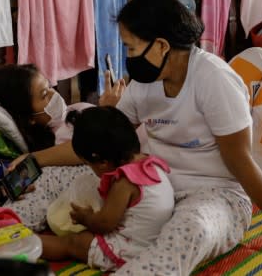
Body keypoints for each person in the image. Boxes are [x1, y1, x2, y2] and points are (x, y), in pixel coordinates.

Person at [7, 0, 262, 275]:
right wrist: (33, 158)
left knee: (191, 229)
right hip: (150, 188)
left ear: (161, 45)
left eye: (131, 49)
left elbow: (242, 162)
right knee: (58, 178)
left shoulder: (213, 80)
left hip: (214, 196)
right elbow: (99, 143)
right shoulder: (145, 85)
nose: (128, 58)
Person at [38, 107, 174, 271]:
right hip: (154, 240)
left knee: (74, 242)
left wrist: (85, 218)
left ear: (102, 162)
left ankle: (26, 244)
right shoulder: (149, 163)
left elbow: (104, 224)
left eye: (88, 164)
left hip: (131, 251)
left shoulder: (124, 182)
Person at [0, 64, 93, 152]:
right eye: (44, 94)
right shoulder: (60, 142)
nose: (54, 93)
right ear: (30, 118)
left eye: (49, 86)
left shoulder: (73, 110)